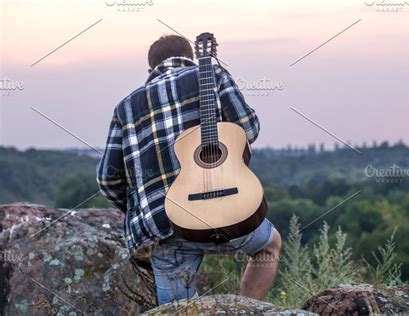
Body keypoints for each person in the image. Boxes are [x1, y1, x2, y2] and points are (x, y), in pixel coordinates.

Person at [96, 34, 281, 305]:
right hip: (230, 210)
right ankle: (248, 310)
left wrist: (141, 208)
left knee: (177, 310)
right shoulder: (213, 74)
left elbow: (107, 179)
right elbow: (249, 130)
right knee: (268, 246)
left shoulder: (125, 107)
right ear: (190, 58)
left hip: (167, 224)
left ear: (151, 69)